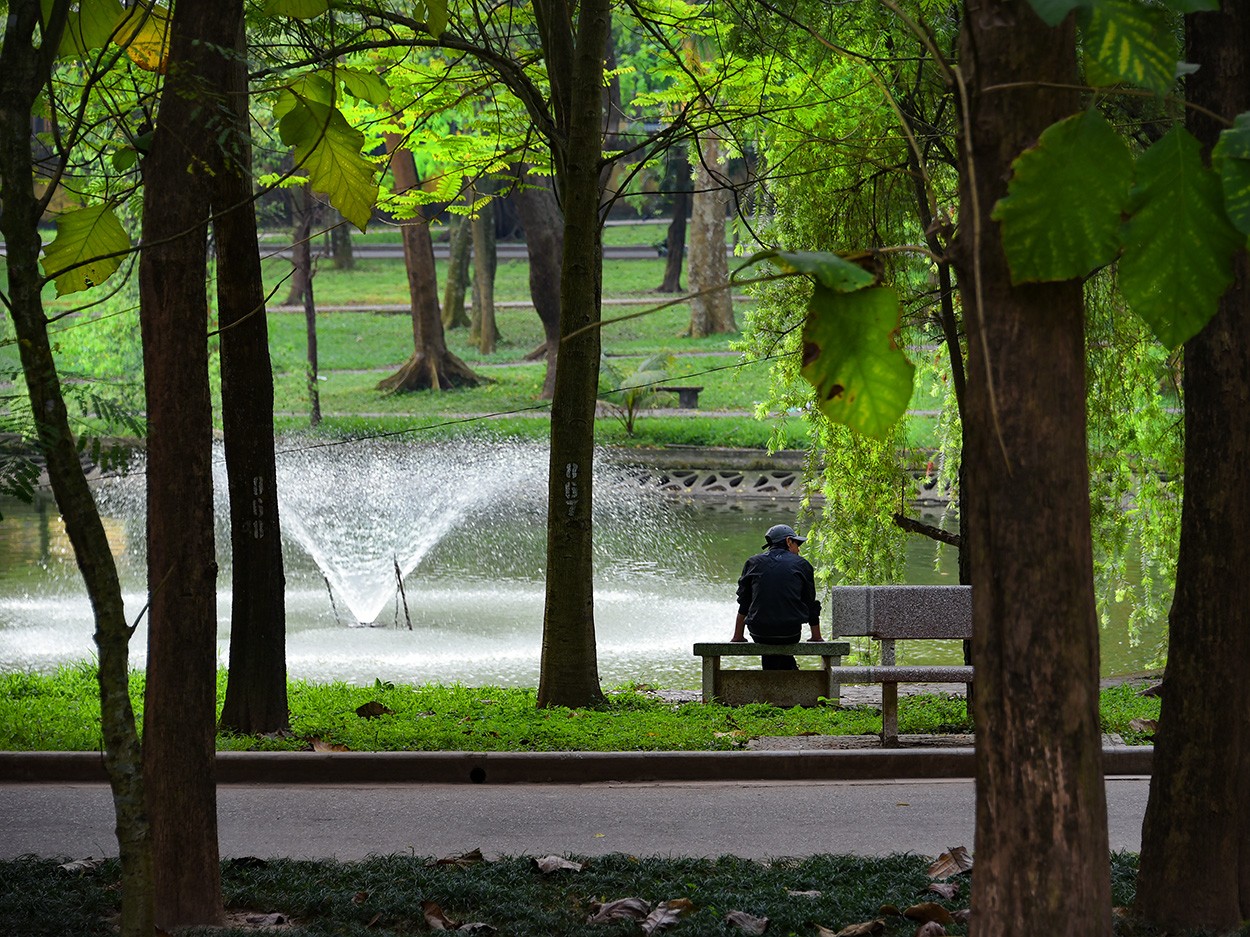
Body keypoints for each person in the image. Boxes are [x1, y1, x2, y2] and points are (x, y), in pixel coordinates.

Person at [732, 524, 824, 670]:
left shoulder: (753, 563)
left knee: (772, 655)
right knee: (782, 652)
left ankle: (776, 680)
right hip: (790, 633)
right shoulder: (802, 565)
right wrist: (816, 637)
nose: (798, 549)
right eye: (797, 543)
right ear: (788, 541)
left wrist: (738, 636)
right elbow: (810, 603)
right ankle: (786, 678)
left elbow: (745, 602)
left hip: (759, 633)